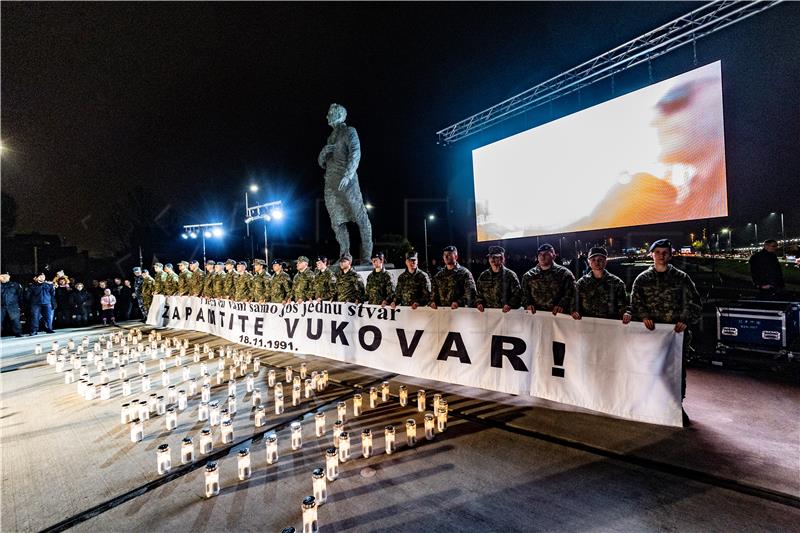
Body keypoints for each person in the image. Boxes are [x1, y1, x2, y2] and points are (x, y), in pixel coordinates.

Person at [631, 239, 702, 423]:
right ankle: (651, 405)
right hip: (652, 336)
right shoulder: (642, 279)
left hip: (676, 335)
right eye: (658, 252)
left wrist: (685, 320)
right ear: (651, 254)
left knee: (677, 371)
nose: (661, 256)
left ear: (670, 255)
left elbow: (694, 302)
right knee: (650, 370)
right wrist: (644, 316)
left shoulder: (681, 277)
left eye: (665, 252)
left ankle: (677, 406)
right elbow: (636, 304)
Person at [318, 103, 373, 262]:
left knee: (361, 217)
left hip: (347, 182)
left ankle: (367, 257)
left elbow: (356, 154)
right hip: (331, 186)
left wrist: (348, 175)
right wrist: (323, 152)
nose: (327, 117)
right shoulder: (330, 137)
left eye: (329, 113)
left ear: (338, 115)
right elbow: (322, 163)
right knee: (336, 222)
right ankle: (345, 255)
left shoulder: (349, 131)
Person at [571, 247, 630, 321]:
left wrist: (626, 314)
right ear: (589, 262)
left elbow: (623, 307)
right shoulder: (581, 283)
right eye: (593, 260)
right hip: (587, 326)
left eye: (600, 259)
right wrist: (574, 311)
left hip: (610, 327)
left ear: (605, 262)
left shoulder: (617, 283)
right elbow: (575, 304)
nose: (597, 262)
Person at [521, 243, 576, 315]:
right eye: (540, 254)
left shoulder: (564, 274)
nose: (542, 256)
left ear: (554, 256)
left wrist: (562, 305)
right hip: (536, 316)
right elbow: (523, 294)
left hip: (558, 316)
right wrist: (528, 304)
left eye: (546, 254)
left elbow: (572, 294)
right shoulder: (528, 275)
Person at [475, 246, 522, 313]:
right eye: (490, 257)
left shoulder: (510, 275)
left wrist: (510, 304)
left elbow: (517, 294)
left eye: (495, 257)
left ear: (502, 259)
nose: (492, 259)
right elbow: (478, 294)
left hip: (506, 314)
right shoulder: (483, 276)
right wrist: (479, 303)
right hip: (488, 314)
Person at [0, 272, 23, 337]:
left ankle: (18, 333)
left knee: (15, 320)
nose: (4, 277)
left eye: (6, 276)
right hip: (1, 306)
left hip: (13, 305)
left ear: (9, 277)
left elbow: (20, 295)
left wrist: (20, 306)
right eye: (2, 276)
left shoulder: (15, 285)